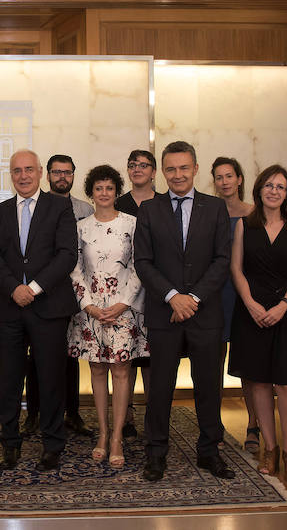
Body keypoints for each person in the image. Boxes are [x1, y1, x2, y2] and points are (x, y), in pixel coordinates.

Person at [134, 141, 234, 481]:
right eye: (171, 168)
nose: (178, 174)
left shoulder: (216, 208)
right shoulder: (149, 209)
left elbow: (222, 259)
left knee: (209, 387)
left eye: (184, 168)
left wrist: (193, 299)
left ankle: (209, 452)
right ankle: (156, 454)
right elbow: (143, 262)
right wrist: (173, 296)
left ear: (194, 168)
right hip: (164, 314)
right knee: (159, 388)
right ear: (163, 172)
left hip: (205, 315)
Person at [0, 149, 78, 471]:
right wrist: (14, 288)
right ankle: (10, 443)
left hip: (49, 307)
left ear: (40, 172)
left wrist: (33, 289)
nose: (23, 176)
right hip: (10, 309)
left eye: (28, 170)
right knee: (8, 380)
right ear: (10, 175)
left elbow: (67, 255)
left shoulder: (60, 207)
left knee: (51, 379)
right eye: (16, 171)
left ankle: (52, 445)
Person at [228, 164, 287, 484]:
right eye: (269, 185)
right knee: (259, 382)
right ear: (259, 189)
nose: (274, 191)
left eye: (281, 186)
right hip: (252, 311)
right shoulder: (244, 226)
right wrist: (250, 304)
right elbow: (236, 269)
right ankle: (270, 449)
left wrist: (284, 305)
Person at [67, 164, 147, 468]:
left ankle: (117, 439)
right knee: (97, 372)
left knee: (121, 372)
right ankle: (101, 433)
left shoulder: (132, 224)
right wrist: (87, 304)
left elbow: (141, 264)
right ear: (91, 192)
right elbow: (74, 268)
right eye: (98, 188)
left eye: (109, 188)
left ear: (117, 192)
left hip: (123, 311)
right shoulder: (81, 226)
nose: (103, 193)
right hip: (90, 312)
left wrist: (124, 303)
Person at [22, 154, 94, 439]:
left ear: (74, 175)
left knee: (70, 356)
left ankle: (72, 412)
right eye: (57, 172)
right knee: (34, 358)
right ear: (47, 175)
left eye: (67, 172)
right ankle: (34, 413)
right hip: (38, 293)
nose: (62, 177)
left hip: (73, 294)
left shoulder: (85, 209)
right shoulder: (36, 205)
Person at [211, 156, 258, 453]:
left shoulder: (255, 214)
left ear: (240, 179)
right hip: (215, 294)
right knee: (212, 362)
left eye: (229, 176)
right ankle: (213, 424)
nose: (225, 181)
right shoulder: (208, 212)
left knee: (248, 365)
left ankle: (253, 425)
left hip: (245, 294)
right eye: (219, 177)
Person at [115, 149, 157, 438]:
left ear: (154, 171)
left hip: (157, 290)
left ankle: (153, 413)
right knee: (126, 356)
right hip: (122, 293)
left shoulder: (166, 203)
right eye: (133, 165)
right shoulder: (118, 204)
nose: (138, 169)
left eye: (144, 165)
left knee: (154, 357)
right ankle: (126, 414)